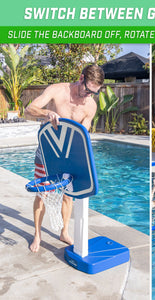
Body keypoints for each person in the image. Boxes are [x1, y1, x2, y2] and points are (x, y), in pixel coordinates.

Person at [24, 64, 104, 252]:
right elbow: (29, 109)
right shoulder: (57, 91)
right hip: (47, 152)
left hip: (70, 156)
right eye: (87, 91)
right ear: (81, 78)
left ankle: (64, 232)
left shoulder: (90, 106)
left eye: (94, 92)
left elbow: (84, 135)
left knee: (68, 196)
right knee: (42, 195)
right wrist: (46, 113)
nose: (88, 96)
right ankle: (37, 234)